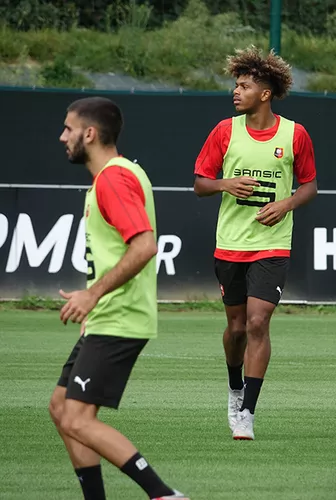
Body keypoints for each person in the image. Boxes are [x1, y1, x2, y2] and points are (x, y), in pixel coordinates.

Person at [49, 96, 189, 500]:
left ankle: (164, 495)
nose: (62, 136)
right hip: (108, 316)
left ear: (90, 134)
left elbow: (145, 246)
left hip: (119, 317)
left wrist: (92, 294)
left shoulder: (114, 178)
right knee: (61, 408)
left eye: (68, 128)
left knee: (77, 418)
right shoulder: (116, 175)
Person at [194, 46, 317, 440]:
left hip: (273, 244)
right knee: (236, 329)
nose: (236, 91)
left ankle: (247, 411)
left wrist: (286, 204)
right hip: (230, 243)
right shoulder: (224, 131)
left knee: (258, 322)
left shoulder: (294, 134)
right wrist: (225, 184)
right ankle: (235, 387)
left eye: (244, 86)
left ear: (265, 94)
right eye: (236, 85)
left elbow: (309, 186)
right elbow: (200, 184)